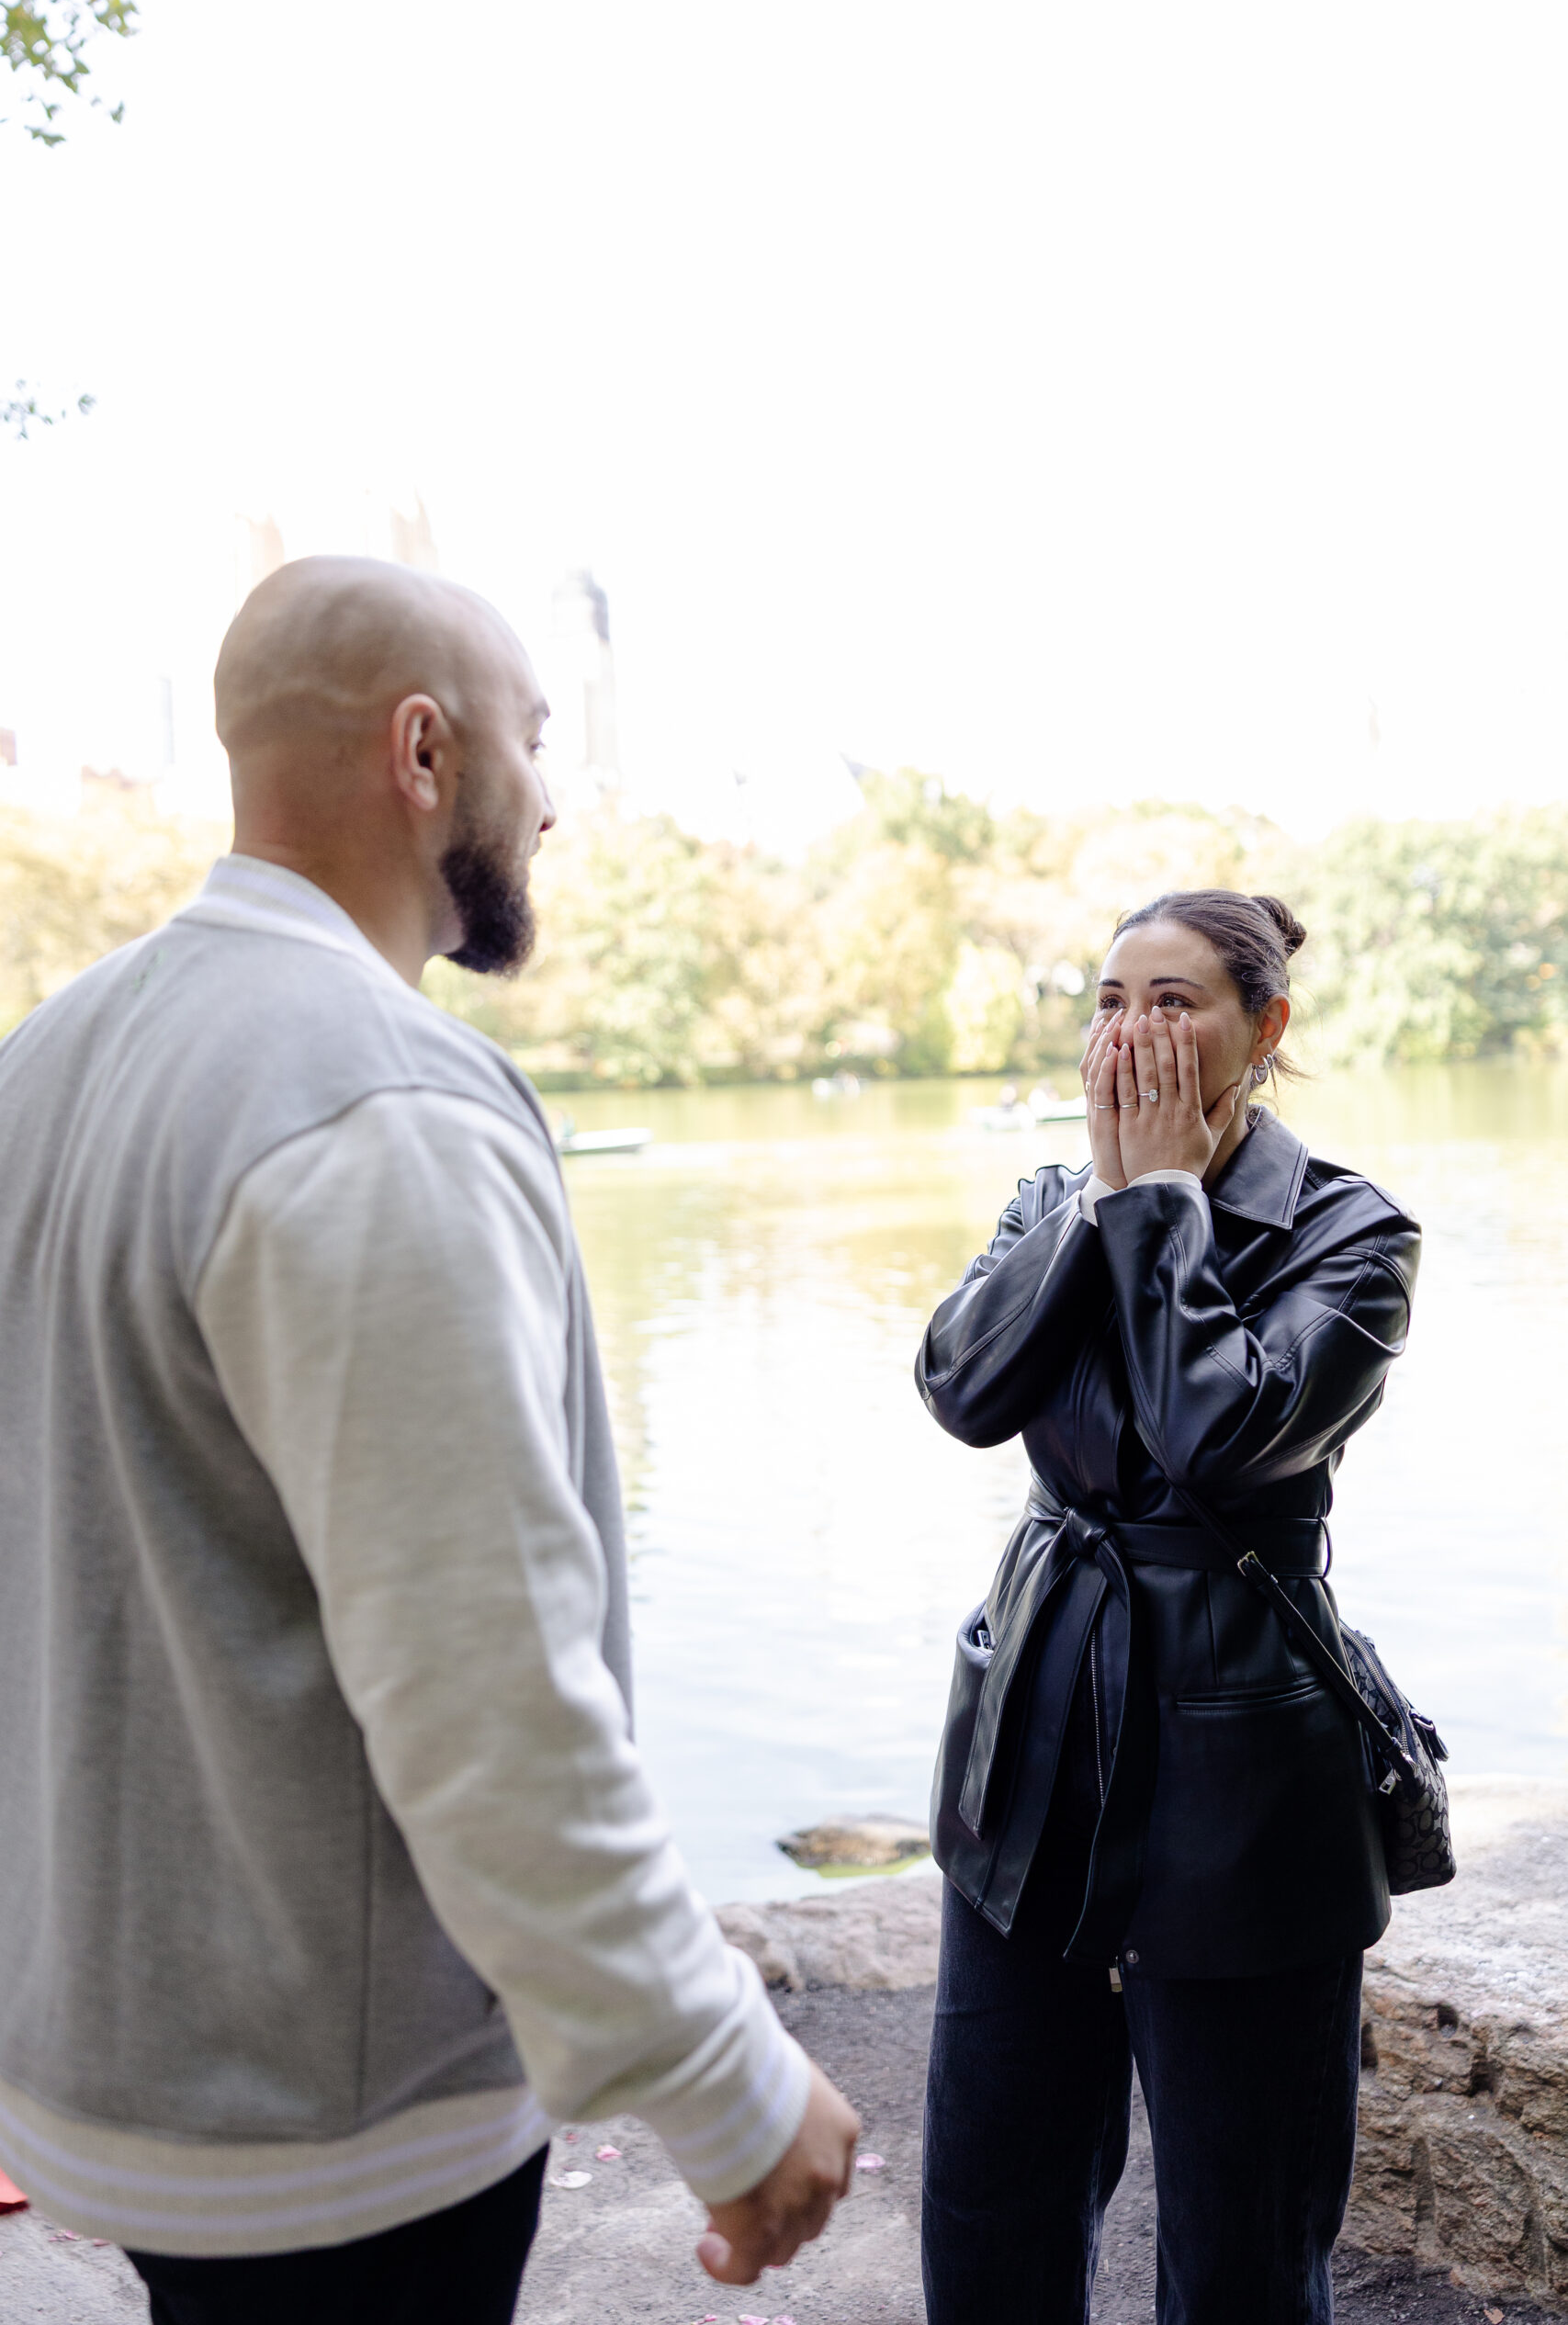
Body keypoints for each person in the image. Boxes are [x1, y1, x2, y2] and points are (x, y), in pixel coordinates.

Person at [0, 557, 858, 2322]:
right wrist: (722, 2077)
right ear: (421, 752)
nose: (551, 799)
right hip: (336, 2119)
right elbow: (484, 1676)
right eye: (532, 739)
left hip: (133, 2057)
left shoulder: (47, 1065)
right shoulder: (377, 1098)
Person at [915, 890, 1421, 2325]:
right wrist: (1096, 1203)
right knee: (992, 2197)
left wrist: (1161, 1210)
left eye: (1174, 1001)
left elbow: (1222, 1435)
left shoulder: (1354, 1235)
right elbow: (960, 1388)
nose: (1131, 1034)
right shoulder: (1047, 1196)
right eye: (1111, 1002)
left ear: (1263, 1030)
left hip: (1242, 1777)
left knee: (1242, 2238)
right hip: (1033, 1750)